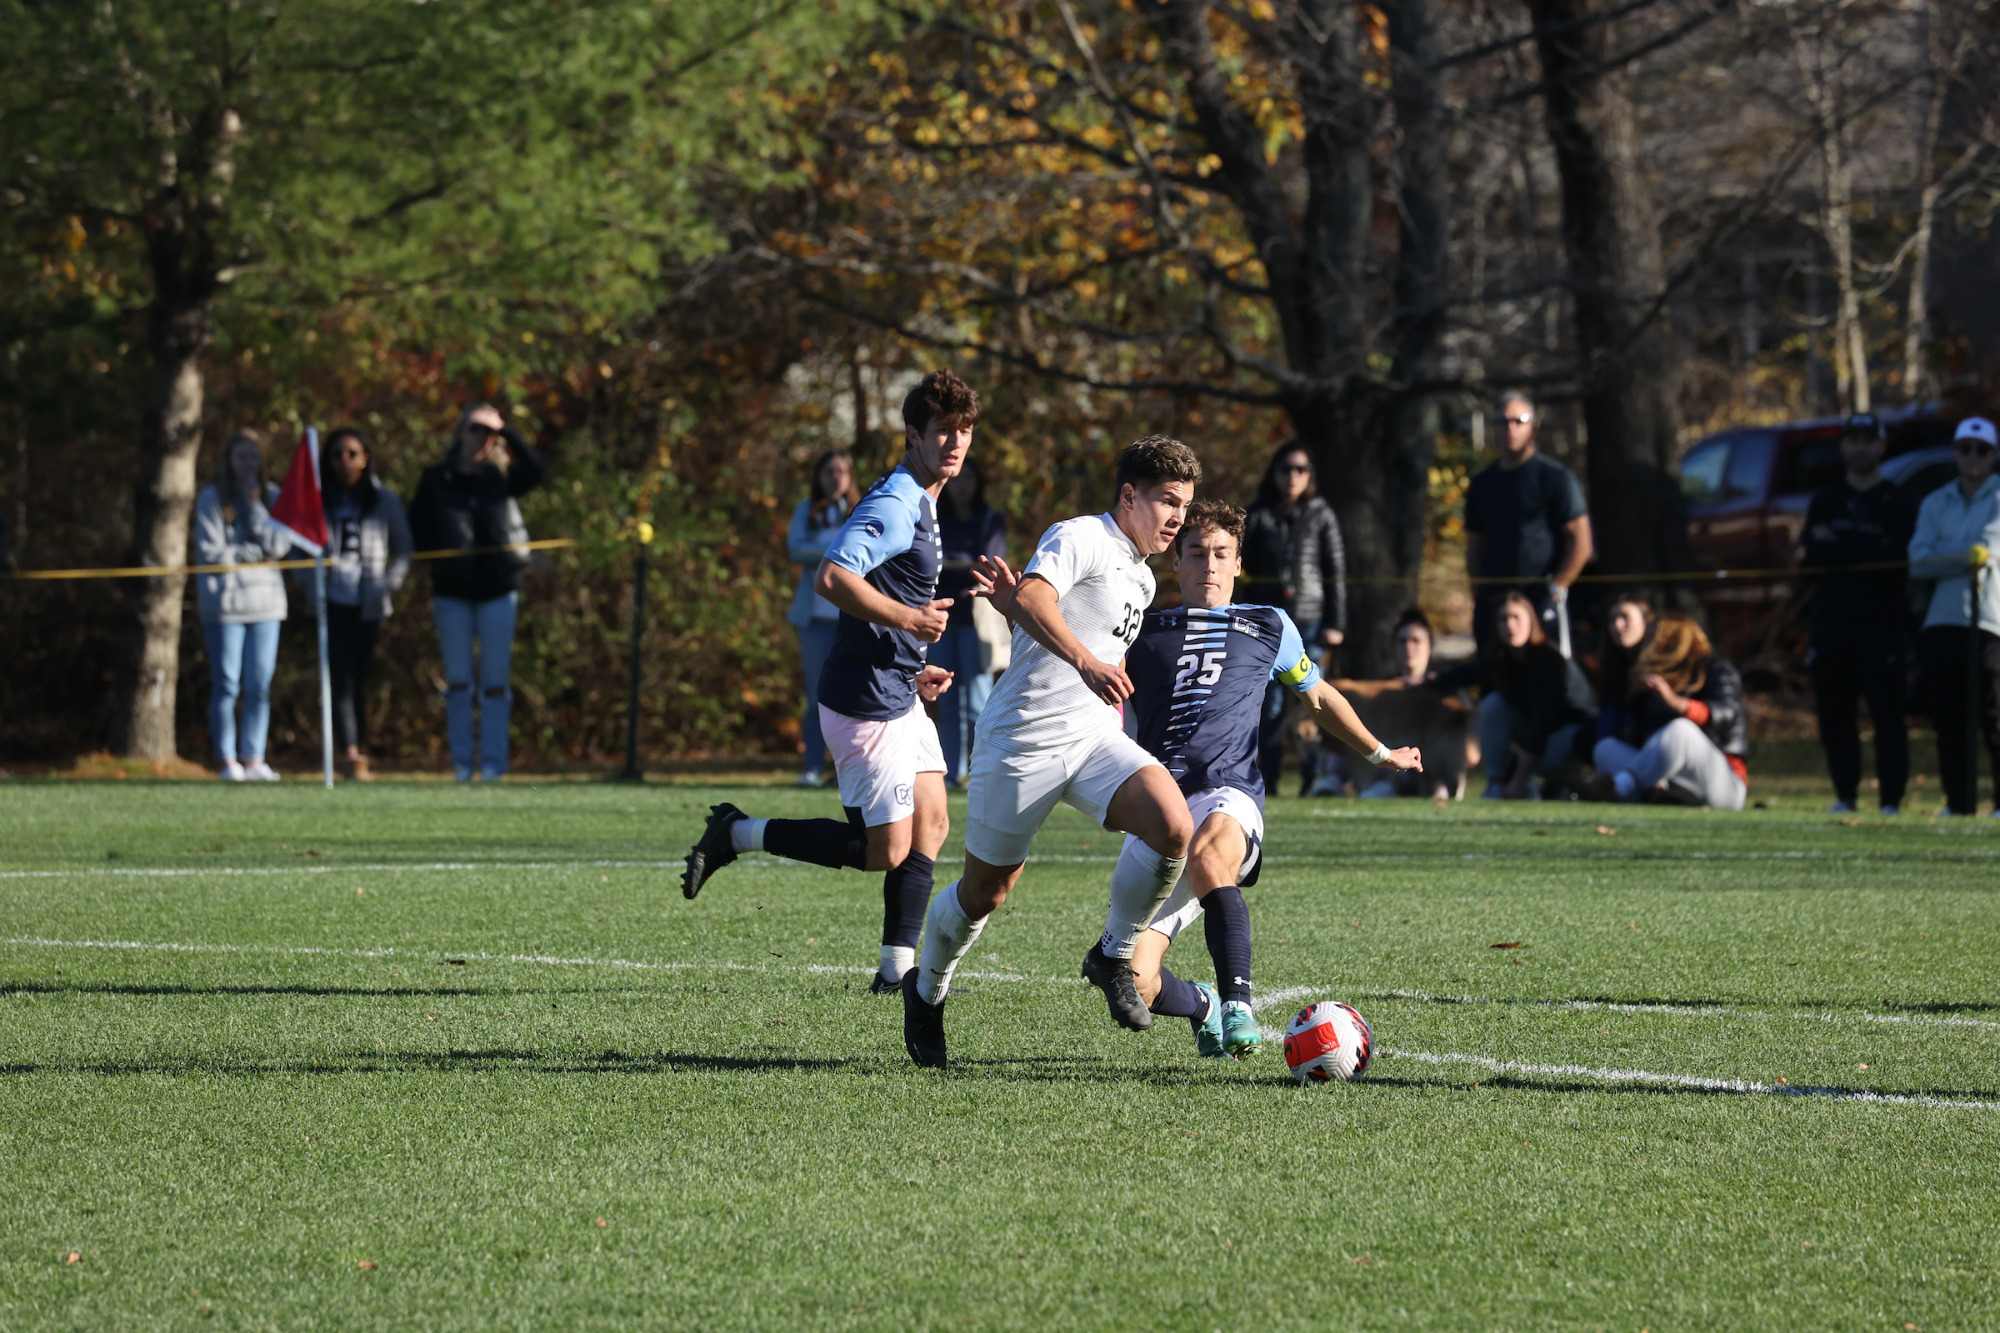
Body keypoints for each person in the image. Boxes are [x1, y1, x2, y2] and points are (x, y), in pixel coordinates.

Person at [901, 436, 1203, 1069]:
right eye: (1166, 501)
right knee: (987, 891)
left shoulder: (1144, 578)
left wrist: (1032, 622)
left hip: (1093, 738)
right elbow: (1042, 598)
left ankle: (1113, 953)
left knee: (1174, 826)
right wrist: (1081, 656)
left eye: (1184, 504)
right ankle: (925, 990)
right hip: (1022, 738)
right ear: (1128, 496)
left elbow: (1046, 618)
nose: (1177, 517)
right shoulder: (1081, 535)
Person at [681, 371, 976, 991]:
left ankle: (895, 970)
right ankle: (737, 833)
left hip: (895, 686)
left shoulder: (926, 497)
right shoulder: (897, 501)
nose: (955, 442)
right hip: (863, 700)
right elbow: (832, 576)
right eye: (943, 430)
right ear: (912, 435)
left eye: (965, 431)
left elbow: (884, 589)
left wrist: (910, 660)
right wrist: (911, 620)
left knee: (933, 823)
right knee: (884, 851)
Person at [1115, 501, 1420, 1059]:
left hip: (1231, 795)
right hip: (1163, 811)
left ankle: (1238, 1005)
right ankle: (1204, 1005)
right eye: (1197, 553)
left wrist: (1380, 754)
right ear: (1176, 562)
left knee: (1210, 856)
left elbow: (1320, 697)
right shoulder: (1142, 632)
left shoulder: (1267, 624)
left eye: (1221, 555)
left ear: (1237, 564)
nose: (1209, 564)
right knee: (1133, 979)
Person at [408, 403, 548, 782]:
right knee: (457, 682)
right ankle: (461, 765)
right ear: (460, 432)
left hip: (498, 590)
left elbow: (538, 468)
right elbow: (417, 528)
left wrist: (506, 429)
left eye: (488, 432)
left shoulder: (502, 477)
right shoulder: (438, 478)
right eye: (474, 428)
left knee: (495, 683)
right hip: (451, 592)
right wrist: (438, 560)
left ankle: (492, 765)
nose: (480, 437)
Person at [1802, 413, 1916, 815]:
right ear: (1843, 446)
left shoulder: (1897, 501)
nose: (1862, 447)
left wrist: (1840, 547)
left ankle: (1890, 801)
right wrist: (1863, 549)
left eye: (1869, 440)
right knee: (1836, 718)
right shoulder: (1826, 499)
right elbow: (1814, 555)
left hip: (1881, 625)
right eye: (1854, 439)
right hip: (1832, 625)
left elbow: (1894, 558)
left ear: (1881, 445)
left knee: (1888, 717)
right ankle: (1845, 796)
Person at [307, 428, 414, 782]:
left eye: (352, 453)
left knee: (358, 677)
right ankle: (351, 753)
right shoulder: (317, 500)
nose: (345, 461)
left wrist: (386, 584)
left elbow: (403, 548)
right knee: (341, 677)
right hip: (332, 601)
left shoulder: (384, 500)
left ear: (365, 457)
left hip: (369, 603)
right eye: (338, 454)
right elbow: (296, 546)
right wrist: (312, 583)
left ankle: (358, 747)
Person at [1241, 444, 1347, 796]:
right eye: (1286, 469)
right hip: (1267, 623)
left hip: (1312, 620)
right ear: (1274, 472)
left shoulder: (1321, 513)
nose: (1293, 476)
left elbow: (1335, 573)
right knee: (1268, 705)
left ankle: (1311, 779)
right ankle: (1267, 779)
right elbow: (1242, 571)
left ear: (1310, 475)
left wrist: (1337, 623)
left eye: (1301, 469)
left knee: (1312, 703)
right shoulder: (1257, 514)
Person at [1908, 416, 2000, 816]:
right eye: (1965, 449)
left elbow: (1989, 549)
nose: (1972, 457)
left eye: (1981, 450)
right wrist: (1965, 555)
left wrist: (1948, 551)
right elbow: (1918, 562)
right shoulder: (1935, 501)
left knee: (1995, 719)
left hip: (1990, 622)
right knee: (1950, 722)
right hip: (1942, 621)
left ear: (1993, 456)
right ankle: (1959, 804)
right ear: (1956, 453)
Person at [193, 430, 290, 782]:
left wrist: (254, 506)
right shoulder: (212, 499)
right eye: (241, 456)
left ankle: (254, 757)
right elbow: (211, 553)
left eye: (253, 456)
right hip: (225, 605)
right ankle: (226, 759)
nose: (248, 463)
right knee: (228, 683)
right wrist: (253, 555)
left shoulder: (274, 496)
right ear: (228, 460)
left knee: (259, 684)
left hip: (266, 604)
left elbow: (278, 546)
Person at [1464, 392, 1593, 656]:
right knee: (1493, 680)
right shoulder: (1482, 483)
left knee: (1546, 678)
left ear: (1532, 428)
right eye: (1503, 421)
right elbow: (1474, 544)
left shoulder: (1555, 478)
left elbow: (1582, 541)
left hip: (1539, 599)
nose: (1510, 428)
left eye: (1518, 420)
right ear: (1495, 428)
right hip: (1493, 601)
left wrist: (1557, 588)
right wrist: (1478, 590)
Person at [1441, 591, 1594, 800]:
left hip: (1574, 736)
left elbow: (1543, 723)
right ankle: (1495, 784)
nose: (1510, 625)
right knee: (1494, 705)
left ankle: (1572, 785)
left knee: (1545, 757)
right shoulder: (1502, 659)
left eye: (1516, 617)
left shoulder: (1548, 662)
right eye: (1503, 619)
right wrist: (1426, 680)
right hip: (1538, 736)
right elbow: (1467, 673)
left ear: (1531, 621)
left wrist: (1519, 780)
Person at [1590, 615, 1748, 809]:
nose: (1647, 645)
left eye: (1652, 638)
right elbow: (1641, 739)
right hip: (1675, 780)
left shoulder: (1715, 668)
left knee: (1681, 730)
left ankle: (1619, 788)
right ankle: (1660, 793)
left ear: (1672, 643)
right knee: (1605, 749)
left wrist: (1677, 703)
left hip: (1724, 784)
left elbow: (1728, 714)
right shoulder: (1653, 678)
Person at [1320, 608, 1470, 802]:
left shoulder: (1448, 690)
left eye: (1416, 641)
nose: (1409, 647)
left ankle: (1387, 785)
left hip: (1427, 764)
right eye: (1402, 641)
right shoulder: (1382, 691)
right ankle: (1332, 780)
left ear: (1430, 646)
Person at [785, 449, 860, 787]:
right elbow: (796, 549)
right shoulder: (806, 510)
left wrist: (831, 552)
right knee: (816, 697)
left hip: (853, 617)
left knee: (854, 695)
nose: (835, 477)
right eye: (829, 471)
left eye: (842, 471)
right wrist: (837, 553)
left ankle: (849, 767)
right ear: (819, 476)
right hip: (815, 619)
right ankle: (813, 766)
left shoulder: (860, 510)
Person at [931, 457, 1008, 784]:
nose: (962, 485)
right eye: (958, 479)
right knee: (946, 701)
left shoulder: (990, 519)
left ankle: (980, 772)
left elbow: (988, 565)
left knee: (979, 702)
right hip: (940, 619)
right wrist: (961, 566)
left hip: (977, 620)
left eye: (969, 478)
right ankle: (952, 772)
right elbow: (926, 562)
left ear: (979, 483)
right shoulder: (936, 516)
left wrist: (951, 564)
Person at [1589, 595, 1655, 767]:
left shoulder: (1661, 664)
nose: (1617, 625)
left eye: (1625, 617)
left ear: (1646, 621)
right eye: (1612, 619)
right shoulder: (1614, 667)